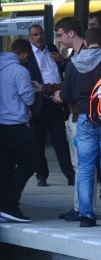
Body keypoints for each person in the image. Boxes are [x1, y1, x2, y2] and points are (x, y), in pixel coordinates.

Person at [0, 38, 40, 223]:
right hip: (16, 124)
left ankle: (3, 208)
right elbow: (28, 100)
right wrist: (32, 89)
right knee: (28, 164)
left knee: (5, 167)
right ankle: (10, 206)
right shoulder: (20, 70)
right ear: (25, 55)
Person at [55, 26, 101, 227]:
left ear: (85, 42)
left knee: (84, 169)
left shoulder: (73, 64)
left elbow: (67, 95)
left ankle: (86, 216)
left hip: (84, 118)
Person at [25, 24, 74, 187]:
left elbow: (62, 70)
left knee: (60, 140)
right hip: (38, 102)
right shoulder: (28, 55)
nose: (38, 37)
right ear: (29, 38)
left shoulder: (52, 48)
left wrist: (62, 60)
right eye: (34, 35)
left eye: (40, 34)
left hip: (56, 100)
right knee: (37, 142)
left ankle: (70, 174)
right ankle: (41, 175)